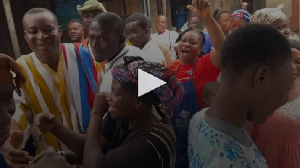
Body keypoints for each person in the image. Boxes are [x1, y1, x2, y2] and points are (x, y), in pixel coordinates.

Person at [32, 57, 185, 168]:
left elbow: (92, 164)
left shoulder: (150, 142)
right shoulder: (127, 115)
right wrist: (54, 127)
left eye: (115, 93)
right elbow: (90, 148)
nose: (108, 97)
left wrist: (97, 113)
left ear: (137, 101)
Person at [1, 8, 98, 167]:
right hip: (52, 156)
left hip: (90, 147)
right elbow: (17, 109)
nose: (41, 36)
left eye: (48, 30)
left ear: (59, 31)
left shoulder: (80, 54)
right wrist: (11, 137)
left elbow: (101, 87)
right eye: (33, 31)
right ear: (26, 36)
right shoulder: (22, 68)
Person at [188, 23, 292, 168]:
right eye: (285, 87)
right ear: (261, 77)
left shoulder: (198, 118)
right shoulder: (232, 162)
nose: (285, 98)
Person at [168, 0, 225, 167]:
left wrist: (208, 18)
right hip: (175, 135)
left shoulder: (205, 66)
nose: (186, 44)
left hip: (200, 133)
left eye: (192, 43)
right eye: (183, 40)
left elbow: (223, 49)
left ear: (200, 49)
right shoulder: (171, 68)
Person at [246, 40, 300, 168]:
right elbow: (246, 134)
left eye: (297, 61)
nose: (292, 66)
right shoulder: (259, 92)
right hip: (264, 159)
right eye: (285, 61)